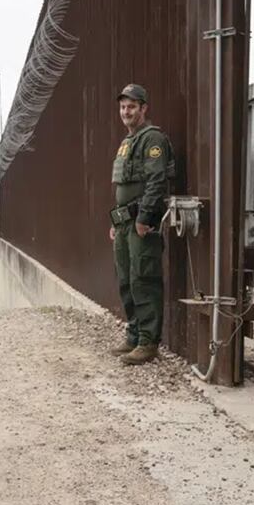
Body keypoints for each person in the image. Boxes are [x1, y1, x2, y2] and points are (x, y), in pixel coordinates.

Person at [108, 83, 173, 365]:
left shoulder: (152, 139)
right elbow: (123, 185)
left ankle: (148, 342)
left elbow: (156, 181)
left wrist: (145, 217)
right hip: (124, 223)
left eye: (132, 107)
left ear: (143, 108)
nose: (126, 112)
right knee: (126, 280)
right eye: (123, 107)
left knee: (143, 279)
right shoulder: (127, 142)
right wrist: (116, 221)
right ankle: (134, 335)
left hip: (141, 222)